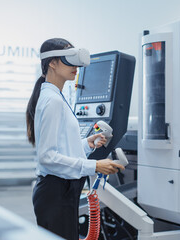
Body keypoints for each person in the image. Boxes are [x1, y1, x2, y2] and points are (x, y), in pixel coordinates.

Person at [26, 38, 124, 240]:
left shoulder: (56, 97)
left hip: (61, 193)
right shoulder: (52, 100)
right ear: (52, 63)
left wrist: (85, 146)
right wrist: (94, 165)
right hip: (55, 194)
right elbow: (47, 157)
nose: (76, 67)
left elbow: (59, 148)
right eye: (69, 59)